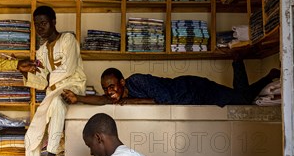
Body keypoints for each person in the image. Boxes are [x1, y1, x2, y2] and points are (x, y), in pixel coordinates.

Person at [18, 6, 86, 156]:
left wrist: (48, 79)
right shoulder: (40, 51)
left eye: (44, 23)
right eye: (36, 24)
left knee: (57, 102)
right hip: (52, 92)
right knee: (30, 136)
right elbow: (41, 82)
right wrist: (24, 72)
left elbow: (69, 68)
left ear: (54, 22)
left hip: (72, 87)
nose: (40, 27)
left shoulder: (68, 39)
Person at [62, 61, 280, 107]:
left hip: (197, 89)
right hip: (194, 98)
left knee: (241, 101)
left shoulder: (136, 81)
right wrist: (77, 98)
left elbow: (161, 101)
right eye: (106, 89)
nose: (109, 92)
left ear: (121, 82)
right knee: (239, 99)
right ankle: (269, 74)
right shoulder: (118, 95)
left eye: (112, 86)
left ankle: (237, 61)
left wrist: (128, 102)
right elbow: (101, 100)